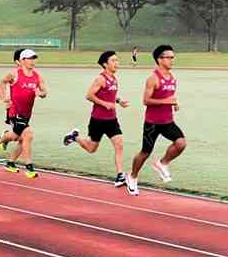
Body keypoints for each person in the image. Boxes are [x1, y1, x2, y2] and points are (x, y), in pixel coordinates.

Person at [63, 51, 130, 187]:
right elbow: (89, 95)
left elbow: (109, 95)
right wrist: (105, 104)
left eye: (117, 60)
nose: (117, 63)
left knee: (119, 144)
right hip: (98, 120)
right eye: (113, 61)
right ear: (105, 64)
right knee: (91, 149)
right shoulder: (101, 79)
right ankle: (74, 137)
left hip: (111, 119)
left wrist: (119, 101)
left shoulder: (114, 79)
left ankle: (120, 175)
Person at [126, 44, 187, 196]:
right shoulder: (153, 78)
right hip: (152, 123)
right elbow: (146, 101)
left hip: (167, 121)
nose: (172, 60)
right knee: (145, 152)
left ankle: (163, 163)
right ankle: (132, 176)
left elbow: (169, 97)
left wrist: (175, 103)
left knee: (181, 143)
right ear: (160, 60)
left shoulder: (172, 78)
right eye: (169, 57)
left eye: (173, 57)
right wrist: (169, 102)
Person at [0, 49, 48, 178]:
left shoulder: (38, 76)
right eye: (29, 58)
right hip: (14, 111)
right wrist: (4, 99)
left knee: (17, 137)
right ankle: (29, 167)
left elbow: (44, 92)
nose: (33, 61)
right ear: (21, 61)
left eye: (34, 58)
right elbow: (0, 85)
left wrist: (40, 94)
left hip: (27, 113)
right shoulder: (14, 74)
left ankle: (5, 152)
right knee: (28, 135)